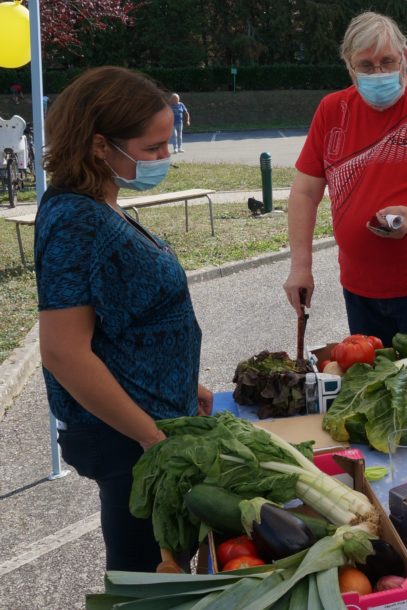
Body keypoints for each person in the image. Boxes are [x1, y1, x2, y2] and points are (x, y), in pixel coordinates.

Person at [35, 67, 211, 571]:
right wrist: (151, 437)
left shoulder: (99, 203)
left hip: (151, 419)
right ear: (99, 145)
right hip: (127, 438)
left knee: (168, 566)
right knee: (147, 575)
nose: (165, 158)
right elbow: (64, 351)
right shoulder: (75, 219)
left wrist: (181, 385)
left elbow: (126, 318)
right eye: (153, 148)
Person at [284, 11, 407, 346]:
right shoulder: (331, 110)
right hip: (359, 289)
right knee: (374, 390)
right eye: (366, 65)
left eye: (387, 62)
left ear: (404, 57)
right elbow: (305, 191)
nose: (378, 73)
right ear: (348, 64)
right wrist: (300, 266)